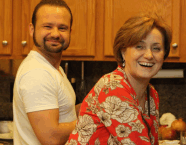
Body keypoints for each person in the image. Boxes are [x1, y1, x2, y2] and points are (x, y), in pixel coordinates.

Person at [66, 14, 172, 145]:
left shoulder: (151, 95)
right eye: (139, 46)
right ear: (123, 51)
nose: (149, 55)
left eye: (156, 48)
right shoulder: (112, 87)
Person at [13, 0, 81, 144]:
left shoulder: (53, 69)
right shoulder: (37, 73)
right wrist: (94, 120)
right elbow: (51, 138)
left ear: (70, 31)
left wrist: (95, 105)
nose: (55, 34)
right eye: (48, 26)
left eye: (62, 28)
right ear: (32, 29)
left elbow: (64, 114)